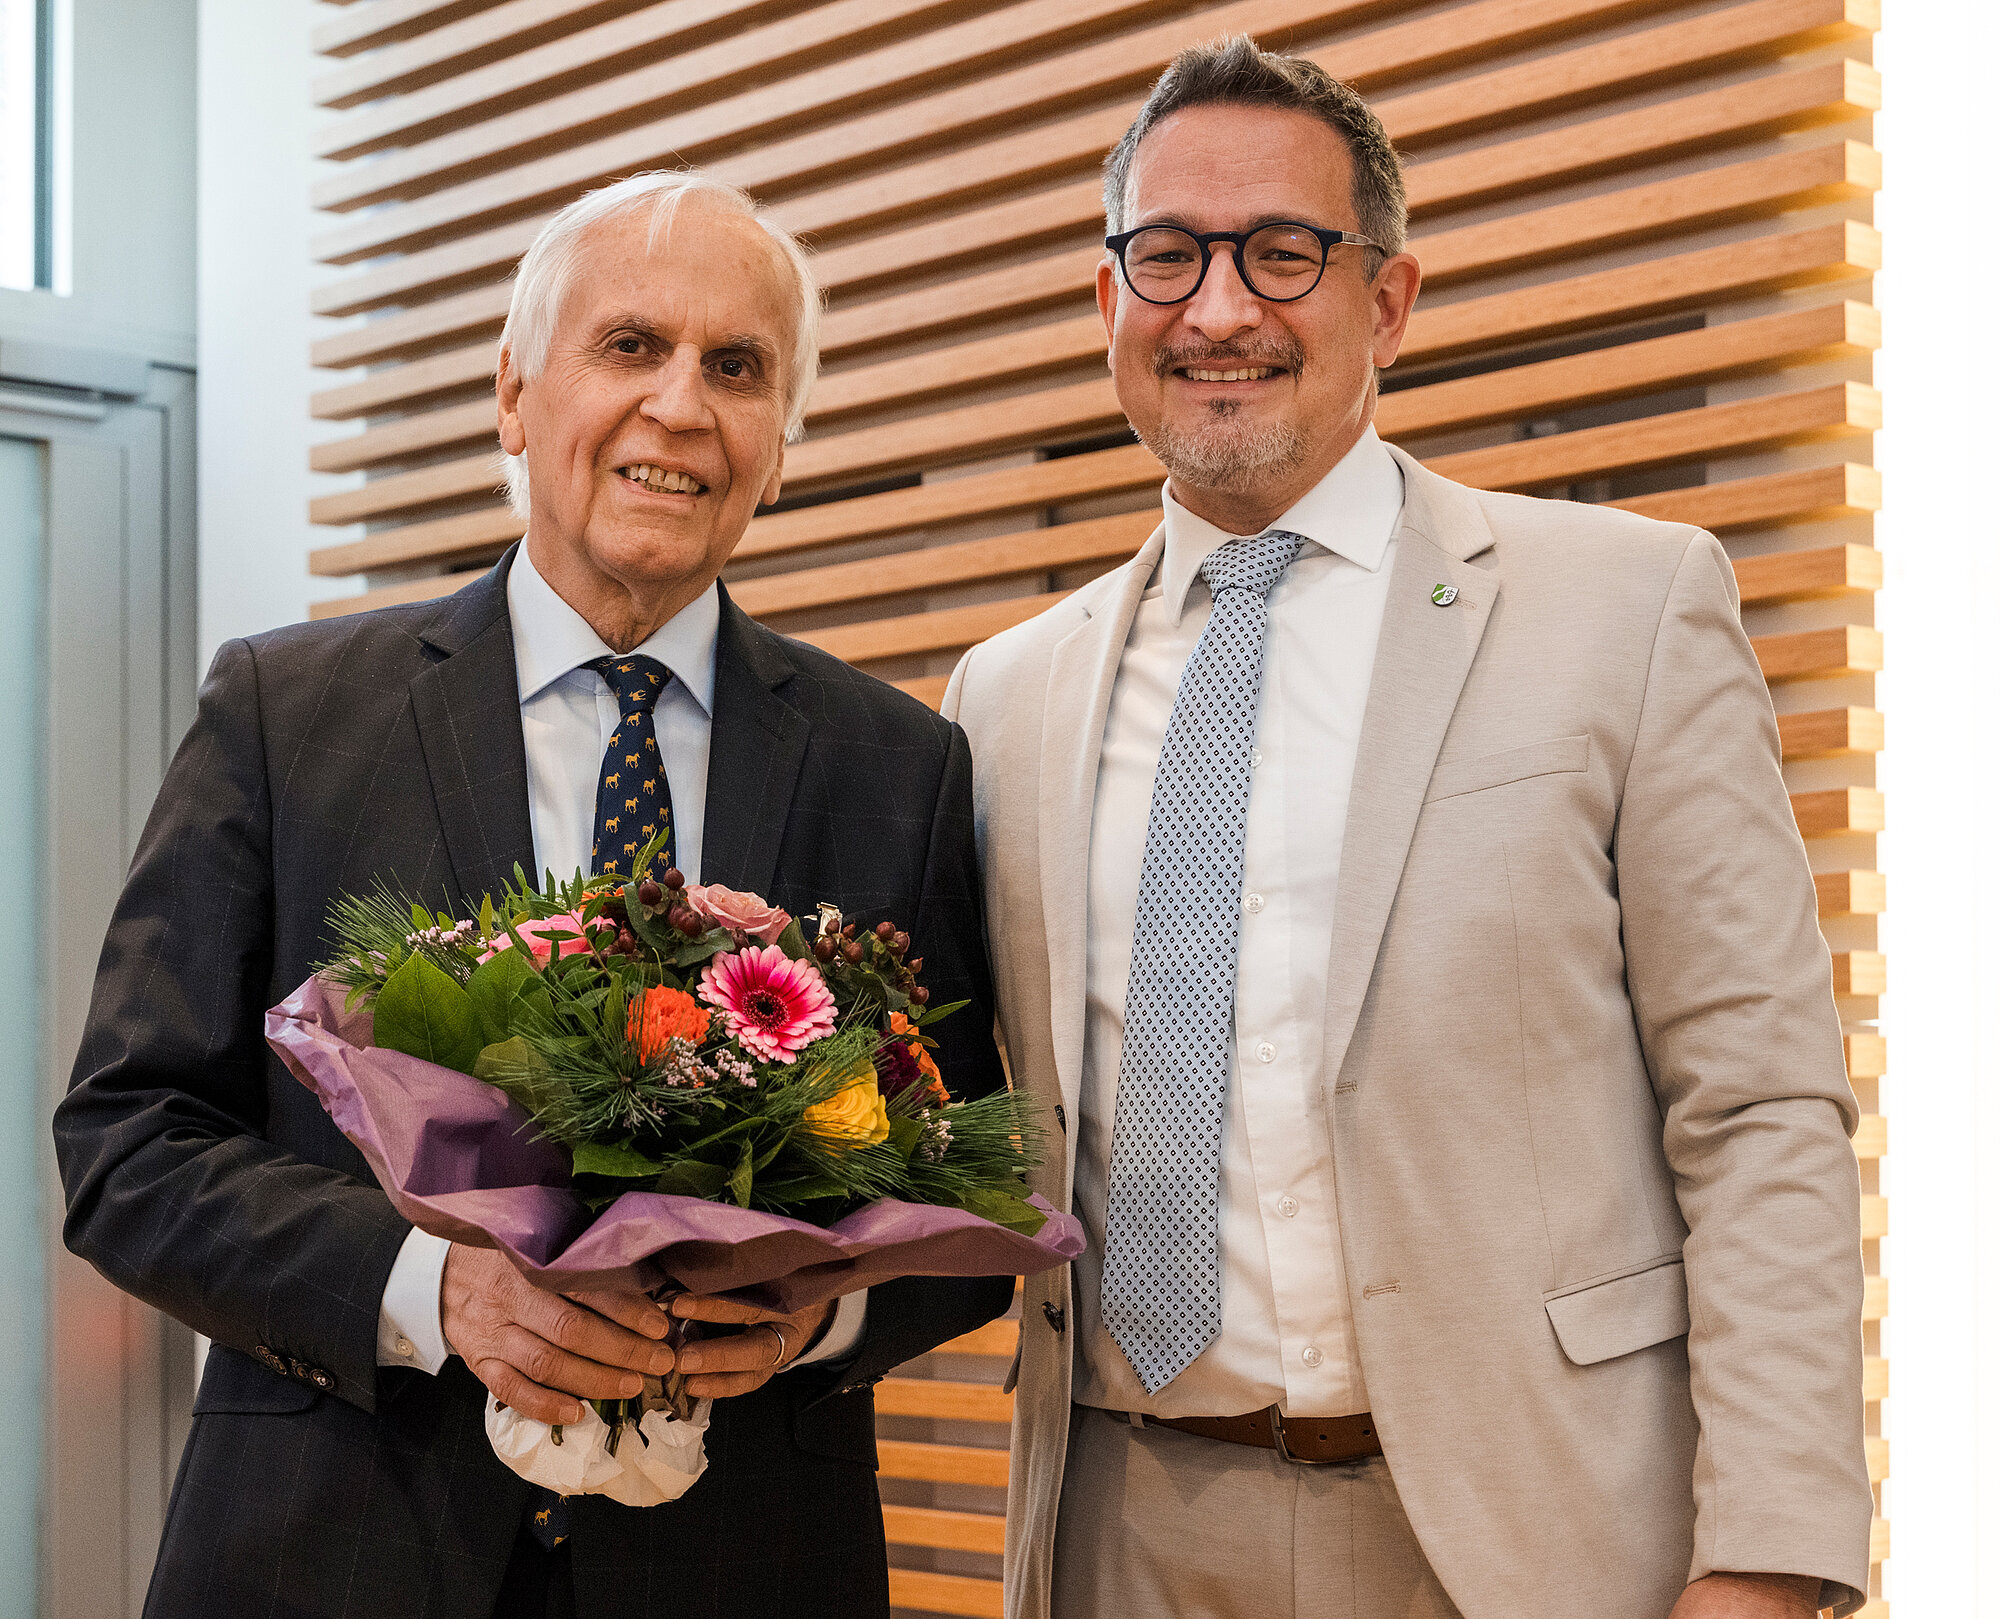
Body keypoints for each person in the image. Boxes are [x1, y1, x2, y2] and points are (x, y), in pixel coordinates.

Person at [945, 36, 1872, 1619]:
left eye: (1283, 255)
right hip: (1123, 1528)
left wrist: (1771, 1559)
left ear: (1386, 301)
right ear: (1107, 306)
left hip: (1533, 1534)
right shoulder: (1000, 699)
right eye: (1166, 258)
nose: (1220, 309)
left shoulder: (1626, 609)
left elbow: (1759, 1111)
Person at [54, 169, 1011, 1619]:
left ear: (780, 446)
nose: (681, 407)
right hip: (336, 1550)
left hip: (743, 1566)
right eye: (631, 345)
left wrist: (823, 1315)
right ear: (514, 396)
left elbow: (971, 1195)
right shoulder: (285, 714)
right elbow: (130, 1146)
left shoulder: (903, 765)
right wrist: (432, 1295)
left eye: (736, 368)